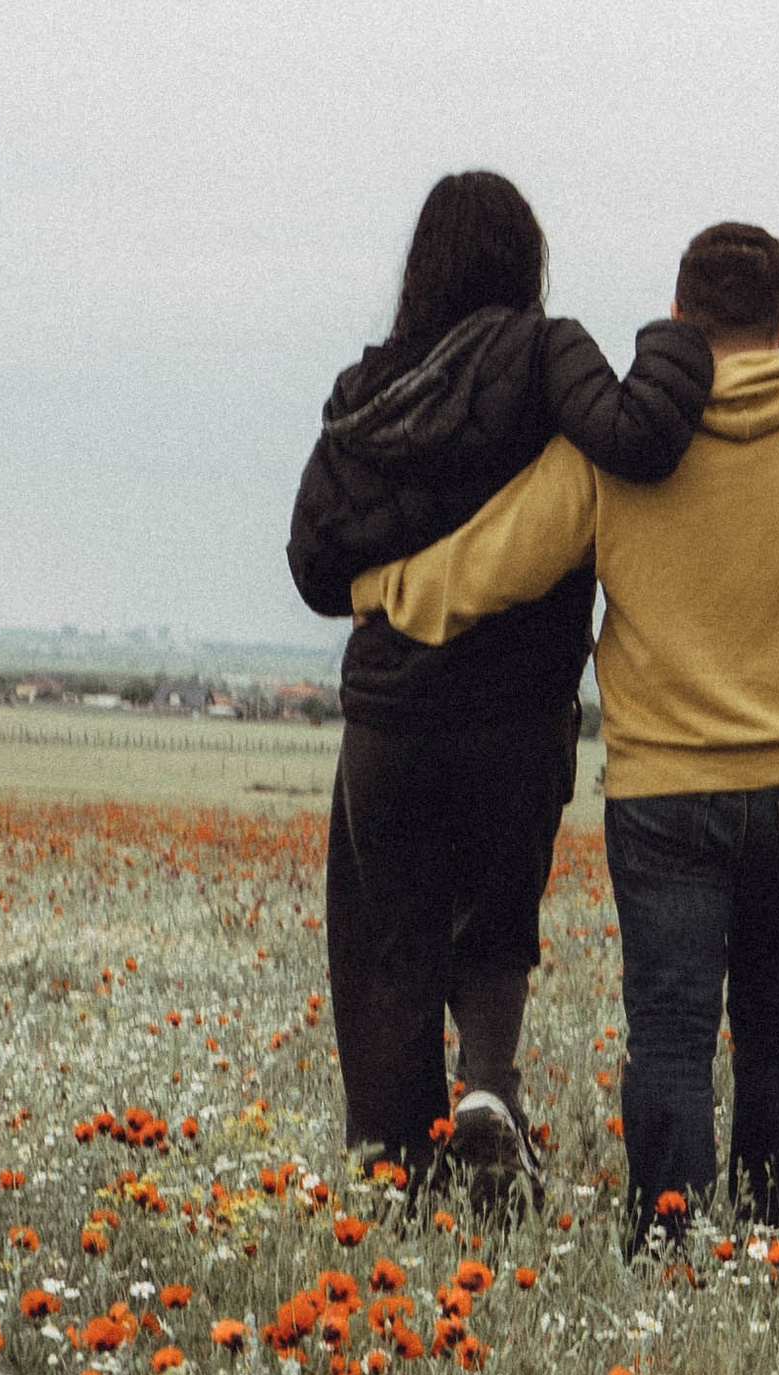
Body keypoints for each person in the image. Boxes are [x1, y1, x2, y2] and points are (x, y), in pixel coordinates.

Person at [347, 219, 779, 1236]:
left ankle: (668, 1240)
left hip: (664, 791)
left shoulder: (620, 450)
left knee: (667, 1029)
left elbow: (492, 565)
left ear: (677, 316)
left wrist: (374, 585)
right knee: (777, 1018)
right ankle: (773, 1241)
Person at [287, 171, 711, 1198]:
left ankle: (393, 1165)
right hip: (516, 716)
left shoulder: (368, 395)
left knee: (389, 943)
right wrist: (674, 342)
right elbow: (639, 440)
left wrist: (399, 560)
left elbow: (310, 565)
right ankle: (484, 1100)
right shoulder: (543, 351)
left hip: (391, 719)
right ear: (526, 262)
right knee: (494, 921)